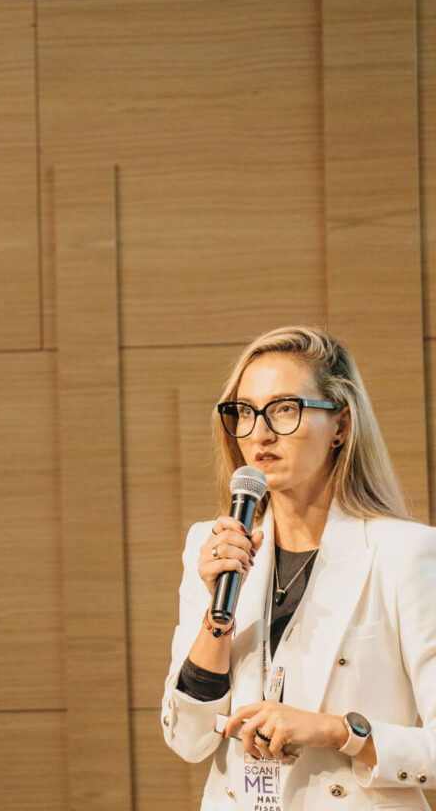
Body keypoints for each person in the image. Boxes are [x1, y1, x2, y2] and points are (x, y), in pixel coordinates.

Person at [162, 326, 436, 810]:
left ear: (341, 425)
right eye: (245, 412)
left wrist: (337, 731)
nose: (260, 433)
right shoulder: (213, 547)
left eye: (284, 409)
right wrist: (216, 618)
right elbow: (188, 739)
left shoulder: (404, 552)